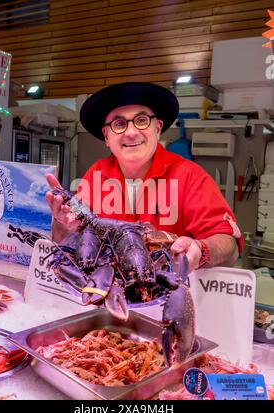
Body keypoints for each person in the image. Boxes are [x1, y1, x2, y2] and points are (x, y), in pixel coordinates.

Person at [46, 82, 242, 272]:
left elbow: (229, 246)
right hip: (110, 293)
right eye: (119, 123)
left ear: (157, 129)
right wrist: (63, 223)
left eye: (141, 120)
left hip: (173, 293)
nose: (131, 132)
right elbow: (65, 237)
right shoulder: (95, 176)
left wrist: (201, 249)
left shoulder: (190, 176)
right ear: (106, 136)